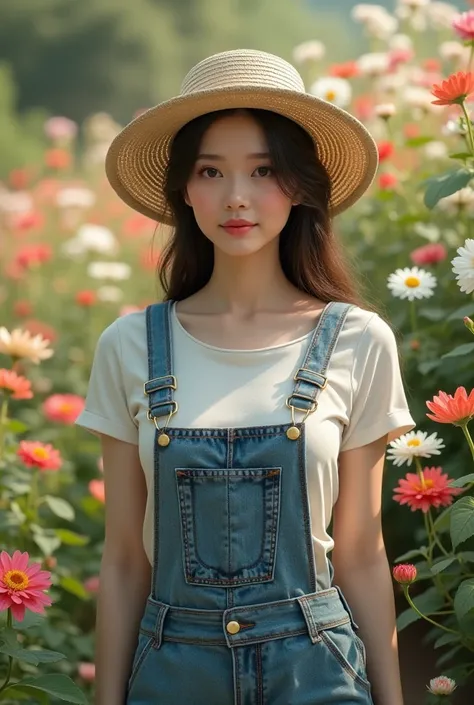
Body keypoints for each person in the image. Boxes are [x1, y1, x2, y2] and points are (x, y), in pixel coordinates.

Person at [75, 48, 416, 705]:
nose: (236, 196)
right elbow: (122, 562)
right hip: (171, 678)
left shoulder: (357, 341)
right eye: (211, 170)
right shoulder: (130, 347)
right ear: (184, 189)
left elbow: (362, 554)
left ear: (300, 184)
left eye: (264, 170)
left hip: (317, 676)